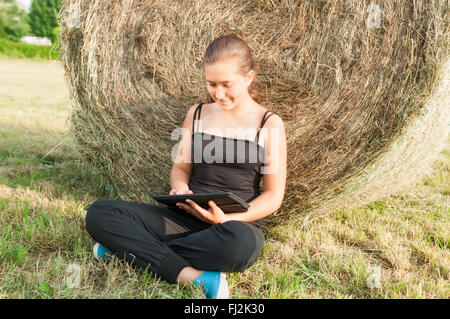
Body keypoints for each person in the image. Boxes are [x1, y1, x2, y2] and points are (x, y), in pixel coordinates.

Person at [85, 34, 287, 299]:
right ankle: (191, 277)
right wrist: (180, 188)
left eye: (227, 84)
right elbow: (180, 169)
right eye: (212, 84)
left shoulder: (269, 124)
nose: (219, 93)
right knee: (100, 213)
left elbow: (273, 196)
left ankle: (128, 251)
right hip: (184, 217)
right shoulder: (197, 113)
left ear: (249, 77)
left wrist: (228, 219)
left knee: (241, 247)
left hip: (233, 226)